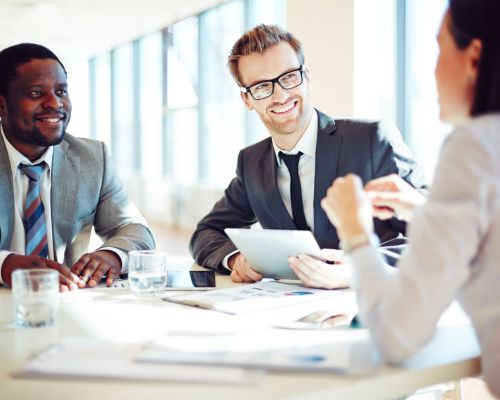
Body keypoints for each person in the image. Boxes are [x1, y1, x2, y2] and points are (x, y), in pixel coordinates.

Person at [290, 0, 500, 396]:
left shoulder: (474, 148)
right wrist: (425, 211)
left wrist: (355, 233)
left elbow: (396, 337)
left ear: (473, 58)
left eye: (439, 49)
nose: (432, 70)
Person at [190, 24, 427, 285]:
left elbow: (435, 230)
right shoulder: (251, 163)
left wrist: (362, 267)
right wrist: (236, 259)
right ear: (247, 100)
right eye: (261, 87)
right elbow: (206, 232)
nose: (280, 95)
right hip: (288, 312)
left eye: (289, 77)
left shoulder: (371, 141)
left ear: (307, 77)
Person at [0, 43, 155, 291]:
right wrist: (4, 265)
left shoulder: (92, 158)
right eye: (36, 93)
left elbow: (136, 229)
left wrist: (113, 254)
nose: (55, 104)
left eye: (61, 92)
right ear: (2, 104)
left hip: (64, 303)